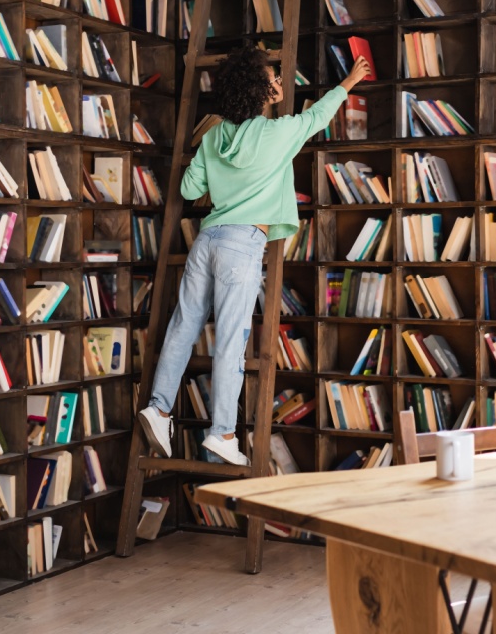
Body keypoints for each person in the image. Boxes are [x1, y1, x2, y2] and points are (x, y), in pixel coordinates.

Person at [137, 47, 372, 465]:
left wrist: (213, 169)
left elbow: (190, 191)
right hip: (242, 244)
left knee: (182, 326)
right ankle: (223, 432)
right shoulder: (279, 133)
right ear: (258, 89)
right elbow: (317, 117)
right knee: (230, 339)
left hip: (206, 241)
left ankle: (158, 408)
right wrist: (349, 83)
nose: (281, 85)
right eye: (274, 79)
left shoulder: (212, 136)